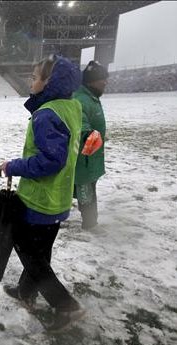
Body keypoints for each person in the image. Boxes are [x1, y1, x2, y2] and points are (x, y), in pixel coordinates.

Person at [0, 55, 85, 333]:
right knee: (40, 252)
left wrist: (13, 165)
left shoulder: (47, 114)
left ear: (50, 83)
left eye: (35, 77)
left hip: (39, 201)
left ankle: (65, 305)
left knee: (30, 255)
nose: (30, 81)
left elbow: (50, 161)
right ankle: (26, 292)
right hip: (57, 199)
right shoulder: (71, 108)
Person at [73, 61, 109, 230]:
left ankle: (90, 221)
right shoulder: (81, 99)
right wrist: (90, 135)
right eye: (102, 78)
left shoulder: (91, 97)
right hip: (83, 161)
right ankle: (90, 224)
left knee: (88, 190)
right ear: (91, 81)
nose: (105, 82)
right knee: (85, 193)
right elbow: (81, 127)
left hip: (91, 158)